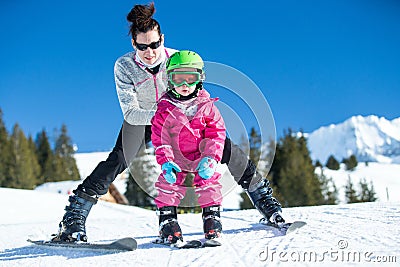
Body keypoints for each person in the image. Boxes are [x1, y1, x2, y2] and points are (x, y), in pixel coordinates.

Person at [52, 3, 284, 243]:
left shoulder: (176, 59)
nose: (149, 52)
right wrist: (164, 113)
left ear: (162, 39)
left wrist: (187, 114)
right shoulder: (124, 66)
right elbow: (131, 112)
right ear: (134, 45)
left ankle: (265, 202)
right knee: (119, 159)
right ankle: (74, 218)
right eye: (142, 47)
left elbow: (195, 90)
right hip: (144, 119)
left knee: (224, 147)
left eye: (154, 44)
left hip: (184, 117)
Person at [152, 50, 225, 243]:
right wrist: (166, 161)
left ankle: (212, 217)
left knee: (209, 181)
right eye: (178, 79)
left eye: (190, 78)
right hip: (176, 158)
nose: (185, 85)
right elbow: (161, 138)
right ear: (170, 80)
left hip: (201, 156)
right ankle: (167, 221)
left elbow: (216, 134)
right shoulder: (164, 109)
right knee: (168, 183)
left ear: (200, 79)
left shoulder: (207, 106)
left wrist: (211, 158)